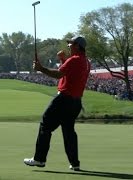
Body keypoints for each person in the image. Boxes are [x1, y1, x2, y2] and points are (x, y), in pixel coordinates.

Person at [24, 36, 91, 171]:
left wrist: (40, 68)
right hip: (76, 102)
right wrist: (63, 60)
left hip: (63, 100)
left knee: (45, 125)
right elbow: (71, 73)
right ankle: (75, 163)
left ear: (77, 46)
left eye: (71, 44)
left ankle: (39, 159)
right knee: (68, 131)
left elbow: (58, 75)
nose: (68, 46)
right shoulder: (86, 62)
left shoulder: (74, 60)